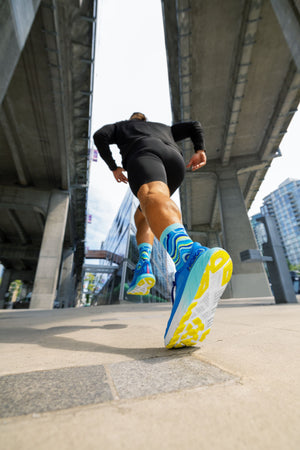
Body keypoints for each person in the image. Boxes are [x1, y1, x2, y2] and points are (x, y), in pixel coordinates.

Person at [93, 112, 232, 348]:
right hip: (174, 161)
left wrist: (114, 167)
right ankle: (144, 264)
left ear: (132, 120)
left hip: (144, 153)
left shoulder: (122, 127)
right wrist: (200, 149)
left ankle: (188, 255)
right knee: (144, 214)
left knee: (150, 196)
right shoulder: (164, 127)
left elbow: (100, 136)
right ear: (146, 121)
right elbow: (194, 124)